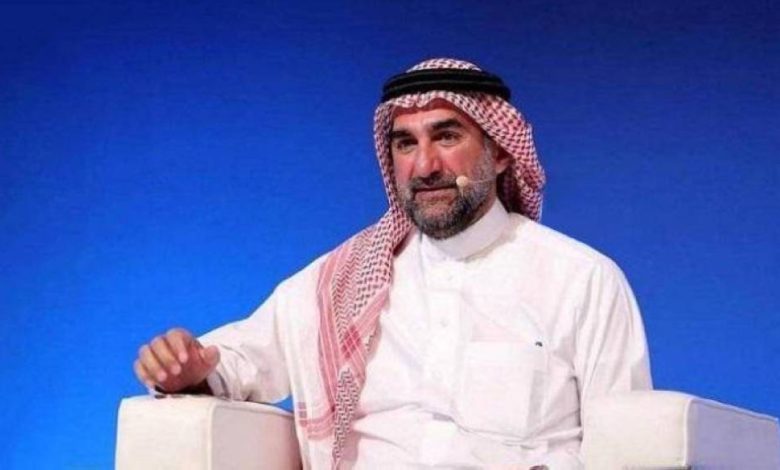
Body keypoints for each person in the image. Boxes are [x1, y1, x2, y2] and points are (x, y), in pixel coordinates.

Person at [133, 58, 652, 469]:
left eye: (447, 137)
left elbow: (627, 444)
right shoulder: (344, 281)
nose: (425, 166)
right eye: (406, 143)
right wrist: (189, 370)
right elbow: (239, 360)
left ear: (499, 154)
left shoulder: (580, 279)